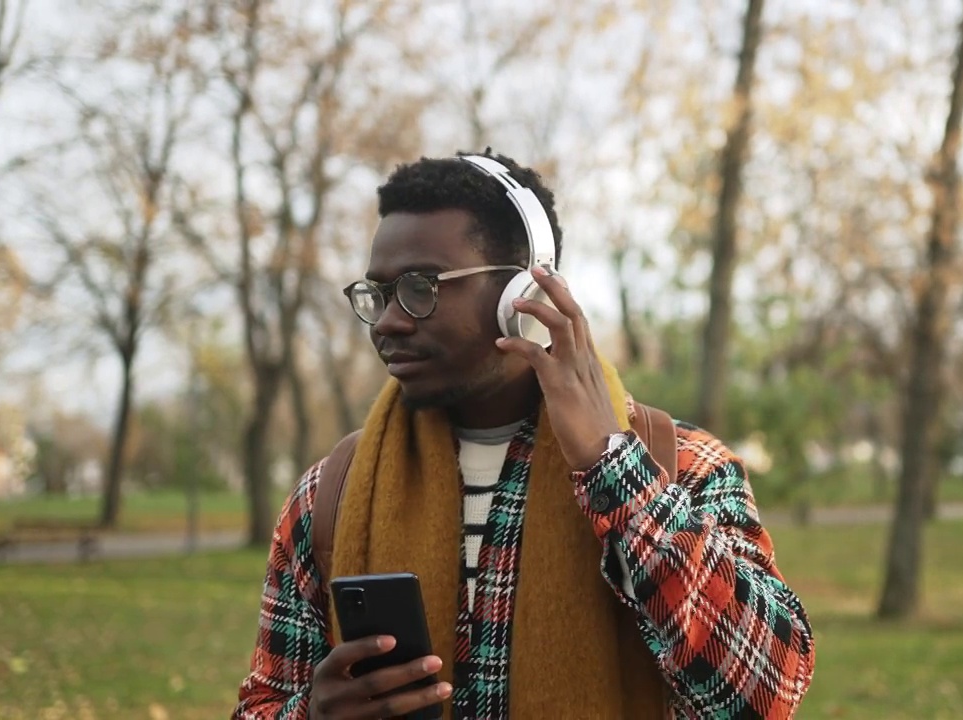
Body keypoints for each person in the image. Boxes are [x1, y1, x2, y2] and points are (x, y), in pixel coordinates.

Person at [231, 151, 815, 719]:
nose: (387, 321)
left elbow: (767, 692)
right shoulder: (333, 491)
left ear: (521, 296)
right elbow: (261, 703)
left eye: (420, 288)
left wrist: (613, 467)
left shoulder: (682, 466)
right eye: (379, 295)